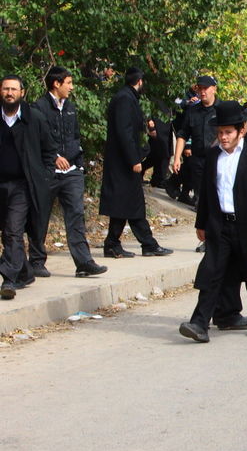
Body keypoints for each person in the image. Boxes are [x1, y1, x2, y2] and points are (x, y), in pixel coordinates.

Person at [178, 101, 247, 342]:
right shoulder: (213, 156)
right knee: (212, 272)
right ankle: (200, 323)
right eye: (219, 132)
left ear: (241, 130)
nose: (223, 137)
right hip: (219, 225)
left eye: (228, 132)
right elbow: (207, 192)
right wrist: (201, 223)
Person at [28, 67, 107, 279]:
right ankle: (36, 261)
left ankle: (83, 262)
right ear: (57, 83)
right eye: (69, 83)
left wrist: (78, 163)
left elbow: (75, 136)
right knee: (40, 216)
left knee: (76, 215)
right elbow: (37, 140)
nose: (71, 87)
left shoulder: (70, 107)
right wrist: (54, 157)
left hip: (72, 172)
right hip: (48, 172)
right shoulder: (38, 108)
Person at [100, 68, 172, 259]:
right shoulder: (125, 99)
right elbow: (124, 132)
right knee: (132, 202)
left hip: (124, 160)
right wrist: (134, 160)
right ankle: (146, 243)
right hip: (123, 162)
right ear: (140, 81)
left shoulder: (127, 97)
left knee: (126, 203)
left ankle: (114, 243)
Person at [0, 75, 57, 299]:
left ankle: (9, 280)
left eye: (14, 89)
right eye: (6, 89)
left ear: (22, 93)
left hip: (23, 185)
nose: (9, 93)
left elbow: (49, 150)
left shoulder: (34, 118)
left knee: (13, 230)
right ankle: (24, 271)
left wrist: (44, 177)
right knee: (7, 231)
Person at [171, 75, 219, 216]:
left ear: (214, 89)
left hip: (217, 159)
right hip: (197, 159)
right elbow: (183, 134)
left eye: (206, 88)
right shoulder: (193, 110)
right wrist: (177, 158)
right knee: (200, 198)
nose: (202, 92)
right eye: (200, 88)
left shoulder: (221, 109)